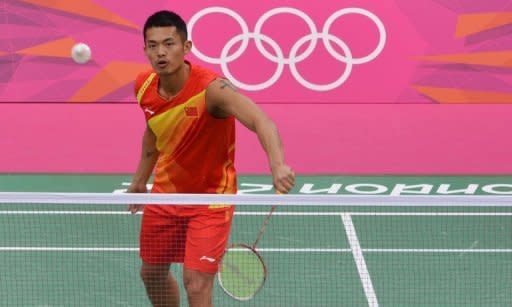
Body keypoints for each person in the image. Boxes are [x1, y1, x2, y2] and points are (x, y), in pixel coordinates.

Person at [127, 10, 295, 307]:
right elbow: (153, 131)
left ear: (187, 47)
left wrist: (277, 163)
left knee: (196, 284)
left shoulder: (212, 90)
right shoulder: (144, 87)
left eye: (169, 43)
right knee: (151, 273)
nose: (161, 52)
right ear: (144, 50)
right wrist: (140, 180)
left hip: (211, 200)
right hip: (167, 196)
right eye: (153, 46)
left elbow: (261, 121)